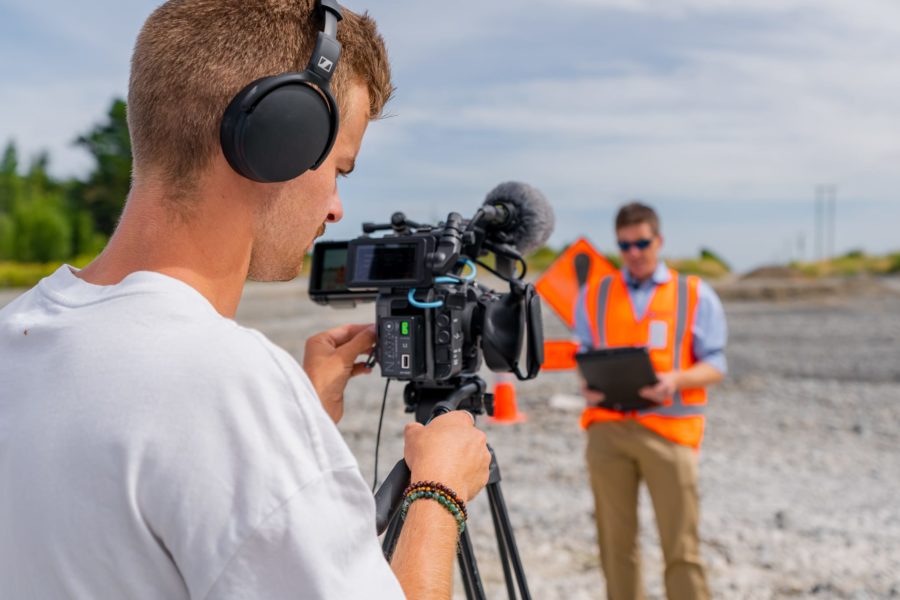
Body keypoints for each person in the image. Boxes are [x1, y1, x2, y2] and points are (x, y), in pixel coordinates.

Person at [0, 1, 490, 598]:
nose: (336, 208)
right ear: (279, 136)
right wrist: (439, 491)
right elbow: (197, 409)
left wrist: (292, 422)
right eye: (340, 169)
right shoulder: (229, 388)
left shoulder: (17, 332)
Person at [574, 202, 727, 600]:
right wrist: (588, 384)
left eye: (642, 242)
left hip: (670, 433)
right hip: (607, 430)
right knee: (615, 547)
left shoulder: (694, 294)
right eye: (625, 245)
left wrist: (675, 379)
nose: (634, 253)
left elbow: (716, 363)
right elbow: (585, 352)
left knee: (682, 547)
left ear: (658, 240)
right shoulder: (595, 294)